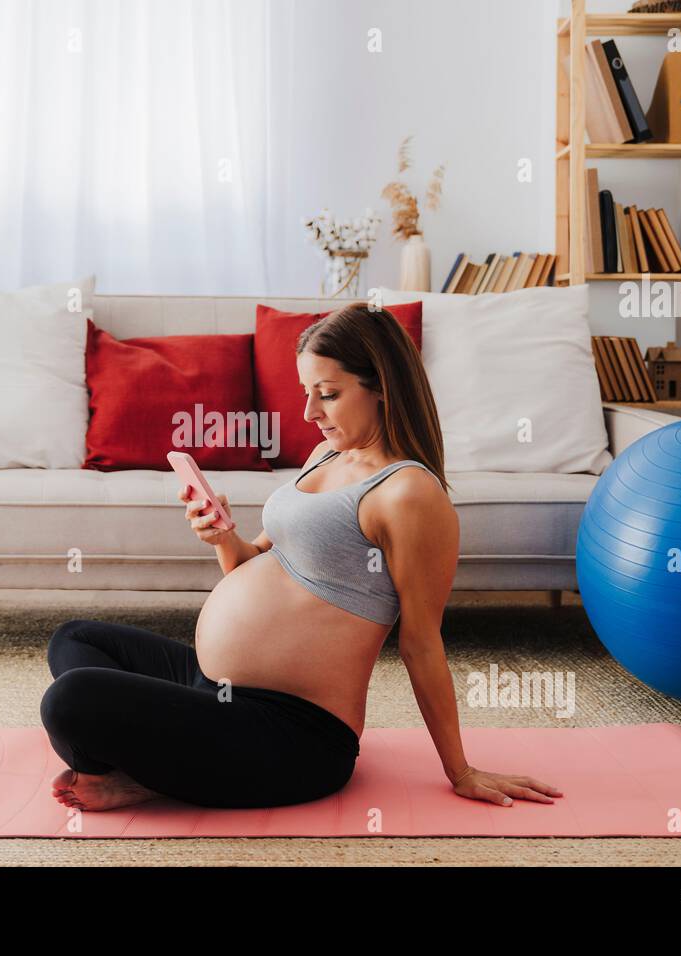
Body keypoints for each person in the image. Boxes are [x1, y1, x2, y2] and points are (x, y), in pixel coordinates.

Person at [40, 301, 562, 811]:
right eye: (307, 392)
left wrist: (461, 771)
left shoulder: (407, 495)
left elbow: (422, 644)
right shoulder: (326, 454)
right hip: (216, 691)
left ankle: (153, 774)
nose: (310, 412)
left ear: (381, 385)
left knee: (71, 700)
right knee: (75, 639)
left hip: (291, 735)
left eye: (328, 394)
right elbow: (255, 568)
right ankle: (168, 767)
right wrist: (223, 536)